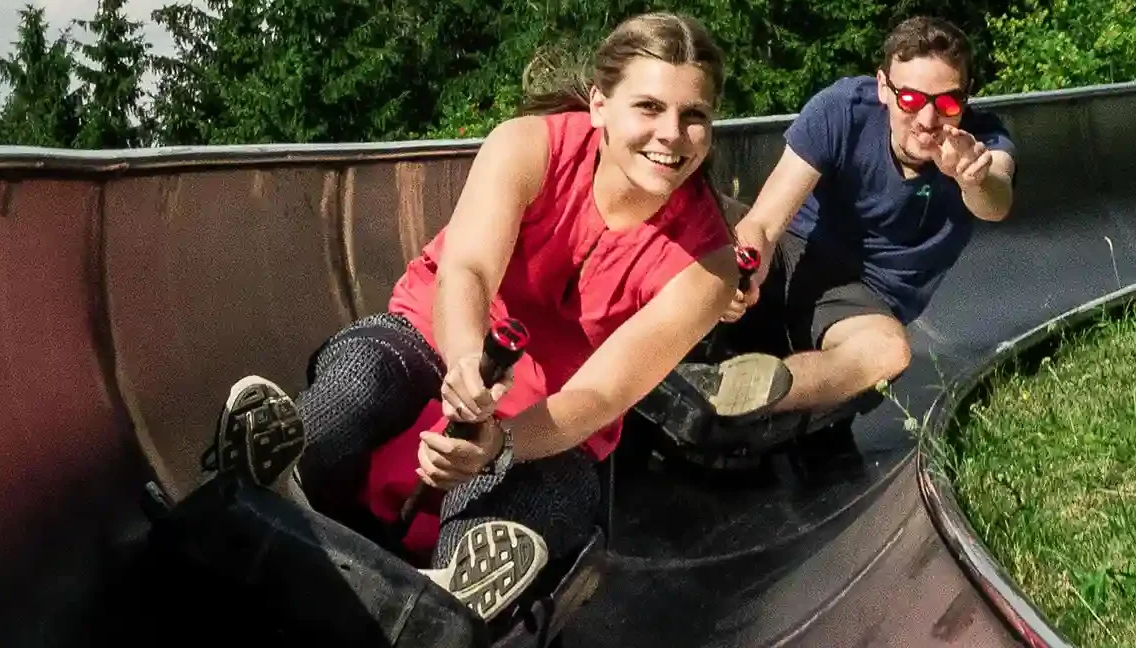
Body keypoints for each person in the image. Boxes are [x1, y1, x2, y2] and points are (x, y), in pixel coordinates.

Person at [193, 12, 775, 624]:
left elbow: (602, 392)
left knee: (498, 485)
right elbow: (466, 270)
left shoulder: (707, 267)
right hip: (435, 337)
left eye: (693, 118)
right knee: (362, 380)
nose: (671, 135)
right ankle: (268, 473)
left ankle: (449, 600)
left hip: (552, 422)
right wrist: (467, 357)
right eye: (649, 108)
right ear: (601, 104)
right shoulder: (528, 146)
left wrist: (500, 442)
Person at [675, 16, 1017, 435]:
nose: (927, 119)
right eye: (910, 99)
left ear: (965, 100)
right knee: (686, 200)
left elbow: (996, 202)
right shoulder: (843, 110)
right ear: (883, 88)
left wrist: (973, 178)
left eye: (947, 103)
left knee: (887, 352)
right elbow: (764, 223)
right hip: (793, 251)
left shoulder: (981, 143)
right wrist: (741, 269)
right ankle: (627, 336)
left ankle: (729, 396)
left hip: (858, 301)